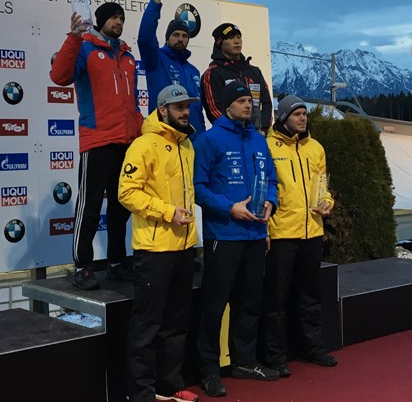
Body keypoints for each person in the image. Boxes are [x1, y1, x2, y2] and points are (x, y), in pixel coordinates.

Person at [193, 81, 280, 398]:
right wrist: (229, 208)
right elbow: (199, 188)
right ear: (227, 105)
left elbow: (270, 178)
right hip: (224, 236)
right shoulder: (208, 141)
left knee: (249, 303)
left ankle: (245, 362)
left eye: (250, 100)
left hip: (256, 233)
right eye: (242, 101)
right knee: (213, 307)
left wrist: (271, 200)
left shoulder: (258, 139)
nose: (248, 105)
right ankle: (209, 371)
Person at [51, 1, 144, 290]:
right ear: (101, 21)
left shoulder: (127, 56)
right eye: (114, 18)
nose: (119, 22)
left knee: (120, 208)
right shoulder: (86, 48)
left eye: (122, 18)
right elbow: (59, 76)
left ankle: (117, 263)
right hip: (98, 139)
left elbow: (131, 102)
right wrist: (74, 36)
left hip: (127, 140)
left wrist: (140, 133)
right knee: (89, 206)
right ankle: (82, 266)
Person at [118, 85, 201, 402]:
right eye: (178, 107)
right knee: (147, 324)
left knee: (177, 323)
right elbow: (127, 193)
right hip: (154, 250)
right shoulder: (143, 145)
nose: (185, 112)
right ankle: (141, 393)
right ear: (162, 110)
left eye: (187, 107)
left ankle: (170, 385)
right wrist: (167, 213)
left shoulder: (187, 146)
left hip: (184, 247)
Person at [262, 95, 338, 378]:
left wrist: (327, 201)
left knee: (310, 296)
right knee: (277, 299)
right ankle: (276, 356)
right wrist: (266, 230)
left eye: (305, 113)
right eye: (296, 114)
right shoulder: (268, 146)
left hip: (312, 232)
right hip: (282, 233)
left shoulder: (315, 148)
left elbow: (322, 185)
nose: (303, 118)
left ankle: (313, 348)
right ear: (283, 118)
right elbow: (266, 191)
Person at [137, 0, 206, 135]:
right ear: (167, 38)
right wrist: (156, 1)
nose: (180, 39)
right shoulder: (156, 60)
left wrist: (202, 137)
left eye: (184, 36)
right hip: (165, 137)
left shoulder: (193, 71)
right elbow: (145, 38)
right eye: (176, 35)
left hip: (194, 140)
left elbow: (197, 109)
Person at [201, 23, 272, 133]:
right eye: (230, 38)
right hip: (229, 135)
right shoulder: (213, 73)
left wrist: (264, 129)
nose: (236, 41)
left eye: (239, 37)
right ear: (220, 42)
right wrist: (234, 131)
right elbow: (214, 109)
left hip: (257, 135)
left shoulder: (254, 71)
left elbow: (267, 103)